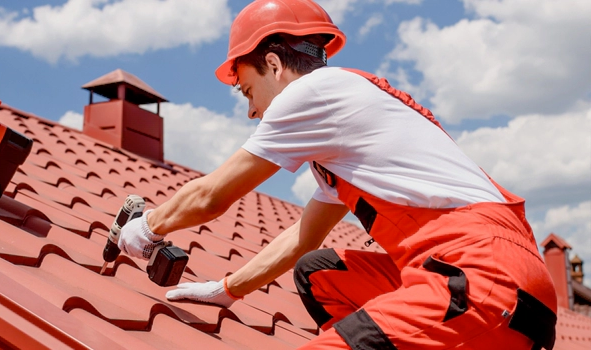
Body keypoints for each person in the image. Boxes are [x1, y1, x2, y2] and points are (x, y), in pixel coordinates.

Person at [117, 0, 558, 348]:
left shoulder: (312, 93)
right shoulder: (345, 124)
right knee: (319, 272)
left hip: (483, 282)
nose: (252, 111)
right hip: (498, 276)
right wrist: (228, 289)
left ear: (273, 63)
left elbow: (211, 195)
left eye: (248, 91)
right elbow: (303, 239)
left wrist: (147, 227)